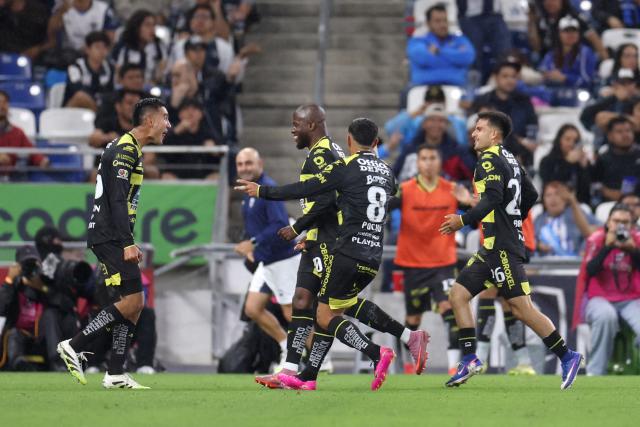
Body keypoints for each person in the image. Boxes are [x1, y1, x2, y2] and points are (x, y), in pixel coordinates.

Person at [236, 118, 429, 392]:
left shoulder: (344, 166)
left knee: (327, 314)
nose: (293, 129)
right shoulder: (388, 172)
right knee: (334, 305)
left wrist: (264, 192)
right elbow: (378, 197)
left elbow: (310, 190)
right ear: (376, 143)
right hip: (374, 252)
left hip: (346, 249)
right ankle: (308, 374)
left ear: (349, 140)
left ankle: (377, 352)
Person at [439, 110, 583, 389]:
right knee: (458, 295)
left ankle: (568, 356)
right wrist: (514, 217)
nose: (473, 133)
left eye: (479, 128)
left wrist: (463, 220)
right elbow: (530, 194)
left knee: (521, 308)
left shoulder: (489, 159)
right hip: (493, 247)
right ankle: (469, 358)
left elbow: (492, 197)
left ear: (494, 134)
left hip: (502, 247)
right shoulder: (511, 160)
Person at [57, 98, 171, 389]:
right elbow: (117, 199)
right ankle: (73, 344)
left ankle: (116, 372)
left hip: (110, 235)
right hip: (110, 236)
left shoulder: (128, 148)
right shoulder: (124, 149)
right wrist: (127, 241)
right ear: (149, 121)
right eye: (165, 118)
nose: (168, 125)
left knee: (133, 304)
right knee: (132, 302)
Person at [254, 105, 346, 388]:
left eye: (297, 124)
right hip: (320, 238)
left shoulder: (321, 154)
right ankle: (291, 371)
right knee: (303, 302)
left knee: (331, 311)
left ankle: (387, 345)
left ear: (313, 124)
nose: (292, 129)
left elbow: (328, 199)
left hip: (330, 241)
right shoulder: (329, 151)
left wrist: (298, 226)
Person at [390, 144, 472, 374]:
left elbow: (476, 213)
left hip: (443, 263)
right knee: (413, 318)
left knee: (450, 309)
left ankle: (454, 366)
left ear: (440, 162)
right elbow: (381, 209)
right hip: (413, 264)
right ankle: (407, 362)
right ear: (417, 163)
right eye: (423, 158)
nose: (427, 162)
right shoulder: (404, 190)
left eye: (432, 158)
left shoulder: (453, 189)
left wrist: (469, 202)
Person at [234, 147, 300, 372]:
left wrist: (253, 242)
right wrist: (250, 247)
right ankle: (285, 347)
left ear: (260, 163)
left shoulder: (267, 189)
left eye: (249, 163)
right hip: (268, 261)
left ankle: (323, 359)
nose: (245, 168)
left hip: (283, 259)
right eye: (241, 164)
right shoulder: (248, 194)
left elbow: (280, 224)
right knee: (252, 308)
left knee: (292, 313)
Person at [576, 204, 640, 375]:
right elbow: (589, 271)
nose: (620, 226)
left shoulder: (637, 240)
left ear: (632, 225)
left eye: (625, 222)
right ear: (608, 222)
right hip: (600, 298)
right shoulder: (596, 239)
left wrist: (633, 250)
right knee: (606, 316)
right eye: (616, 221)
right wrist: (608, 247)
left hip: (631, 298)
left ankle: (633, 363)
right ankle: (595, 373)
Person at [472, 60, 538, 167]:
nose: (510, 80)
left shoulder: (524, 101)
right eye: (505, 76)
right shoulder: (484, 100)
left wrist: (528, 141)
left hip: (520, 151)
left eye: (513, 77)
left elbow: (532, 124)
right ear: (495, 77)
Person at [393, 104, 474, 183]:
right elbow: (395, 175)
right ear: (424, 124)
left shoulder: (458, 150)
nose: (436, 124)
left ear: (446, 125)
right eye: (432, 120)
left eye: (441, 121)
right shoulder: (410, 149)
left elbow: (472, 178)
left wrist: (453, 185)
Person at [406, 3, 475, 87]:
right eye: (437, 21)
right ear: (428, 23)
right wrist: (454, 59)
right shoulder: (418, 41)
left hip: (456, 88)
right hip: (422, 87)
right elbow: (423, 59)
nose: (443, 25)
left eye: (445, 20)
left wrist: (439, 51)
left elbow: (467, 57)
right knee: (405, 94)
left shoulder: (459, 39)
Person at [538, 15, 597, 105]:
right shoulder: (552, 54)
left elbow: (588, 80)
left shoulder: (585, 52)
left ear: (578, 33)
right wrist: (548, 75)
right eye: (566, 31)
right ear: (559, 33)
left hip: (577, 92)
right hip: (553, 92)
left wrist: (565, 78)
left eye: (573, 31)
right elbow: (543, 73)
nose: (570, 35)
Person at [159, 98, 223, 180]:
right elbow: (161, 151)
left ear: (201, 114)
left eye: (195, 109)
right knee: (166, 177)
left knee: (216, 177)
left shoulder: (208, 133)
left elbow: (221, 151)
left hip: (203, 175)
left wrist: (215, 151)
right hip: (177, 174)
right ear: (180, 114)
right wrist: (176, 132)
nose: (190, 112)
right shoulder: (171, 132)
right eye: (186, 109)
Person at [534, 181, 599, 257]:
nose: (553, 199)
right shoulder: (538, 220)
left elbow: (598, 230)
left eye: (557, 194)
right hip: (545, 265)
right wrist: (538, 245)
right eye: (548, 195)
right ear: (543, 200)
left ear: (565, 198)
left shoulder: (576, 213)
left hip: (573, 265)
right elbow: (529, 242)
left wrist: (584, 249)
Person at [0, 89, 49, 181]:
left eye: (4, 102)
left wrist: (43, 161)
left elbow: (31, 151)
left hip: (10, 179)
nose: (1, 106)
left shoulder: (17, 132)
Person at [111, 9, 168, 86]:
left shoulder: (159, 46)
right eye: (147, 25)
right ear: (137, 27)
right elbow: (118, 75)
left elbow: (162, 71)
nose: (152, 29)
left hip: (151, 88)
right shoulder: (123, 47)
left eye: (154, 25)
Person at [539, 124, 591, 204]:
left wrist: (584, 168)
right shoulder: (547, 161)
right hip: (554, 204)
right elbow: (551, 185)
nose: (571, 144)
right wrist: (567, 163)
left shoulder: (579, 162)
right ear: (559, 140)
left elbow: (585, 194)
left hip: (578, 205)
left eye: (575, 141)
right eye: (567, 139)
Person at [592, 116, 640, 202]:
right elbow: (594, 182)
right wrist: (606, 192)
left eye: (628, 130)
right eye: (619, 132)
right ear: (610, 136)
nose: (625, 135)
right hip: (611, 204)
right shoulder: (603, 157)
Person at [63, 31, 115, 111]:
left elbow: (110, 93)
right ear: (87, 49)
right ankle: (100, 120)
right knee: (81, 96)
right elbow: (77, 90)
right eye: (97, 47)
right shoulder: (76, 67)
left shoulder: (110, 68)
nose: (102, 51)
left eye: (104, 47)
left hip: (99, 105)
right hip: (72, 109)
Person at [580, 69, 639, 135]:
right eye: (622, 83)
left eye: (629, 83)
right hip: (607, 139)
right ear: (615, 85)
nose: (626, 87)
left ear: (634, 85)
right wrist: (614, 98)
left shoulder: (637, 100)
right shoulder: (608, 100)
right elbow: (585, 116)